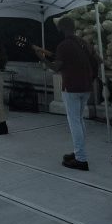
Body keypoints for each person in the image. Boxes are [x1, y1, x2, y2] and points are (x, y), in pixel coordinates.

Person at [35, 16, 95, 171]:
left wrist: (42, 59)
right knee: (79, 120)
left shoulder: (64, 45)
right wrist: (48, 54)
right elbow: (94, 59)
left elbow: (56, 67)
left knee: (74, 121)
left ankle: (81, 159)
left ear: (60, 29)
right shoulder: (81, 42)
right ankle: (78, 152)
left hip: (72, 87)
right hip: (86, 86)